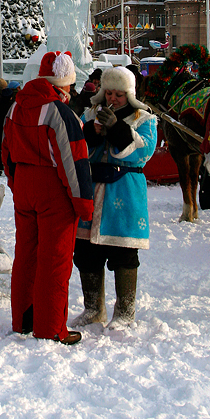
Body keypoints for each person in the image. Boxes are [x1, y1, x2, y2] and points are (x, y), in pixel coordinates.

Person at [2, 51, 93, 345]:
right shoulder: (58, 112)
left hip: (25, 187)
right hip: (53, 189)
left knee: (26, 256)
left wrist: (17, 184)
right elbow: (73, 159)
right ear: (61, 83)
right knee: (55, 260)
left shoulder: (16, 106)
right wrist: (83, 202)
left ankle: (24, 320)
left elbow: (5, 152)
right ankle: (51, 326)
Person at [73, 65, 157, 328]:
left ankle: (125, 312)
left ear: (129, 95)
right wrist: (92, 133)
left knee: (124, 254)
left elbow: (143, 152)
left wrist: (118, 129)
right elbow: (77, 148)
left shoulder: (145, 119)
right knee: (86, 253)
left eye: (119, 95)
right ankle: (92, 309)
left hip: (125, 191)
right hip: (92, 188)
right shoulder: (89, 115)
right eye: (108, 93)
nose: (112, 99)